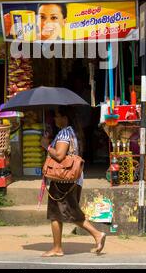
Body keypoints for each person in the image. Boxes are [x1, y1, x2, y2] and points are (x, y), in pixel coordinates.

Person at [40, 106, 106, 257]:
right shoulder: (74, 132)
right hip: (72, 179)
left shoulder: (64, 133)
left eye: (57, 116)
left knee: (63, 213)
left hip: (63, 181)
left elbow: (59, 155)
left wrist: (46, 146)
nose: (55, 119)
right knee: (60, 213)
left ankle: (96, 234)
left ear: (65, 117)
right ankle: (57, 247)